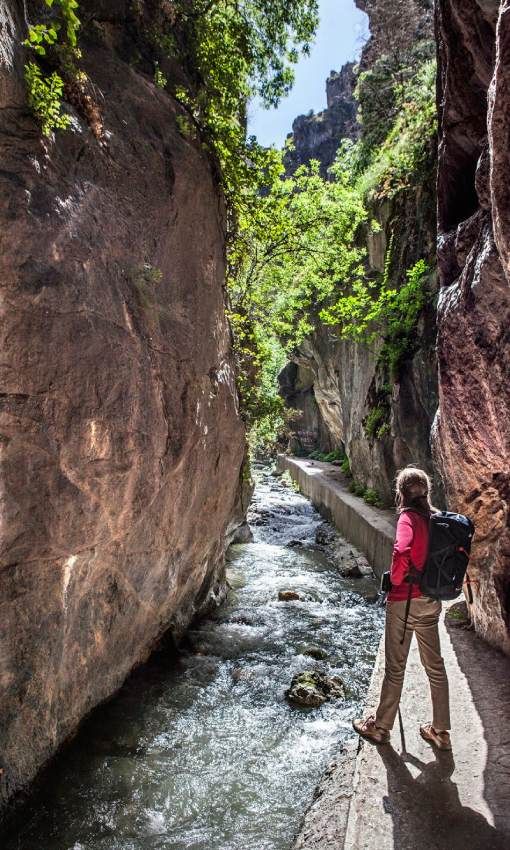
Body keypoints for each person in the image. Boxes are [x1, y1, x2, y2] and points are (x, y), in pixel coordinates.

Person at [353, 465, 451, 750]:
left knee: (395, 668)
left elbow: (401, 549)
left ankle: (380, 727)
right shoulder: (437, 519)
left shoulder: (409, 518)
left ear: (401, 493)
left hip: (405, 602)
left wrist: (396, 580)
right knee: (436, 667)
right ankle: (441, 732)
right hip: (431, 601)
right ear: (427, 492)